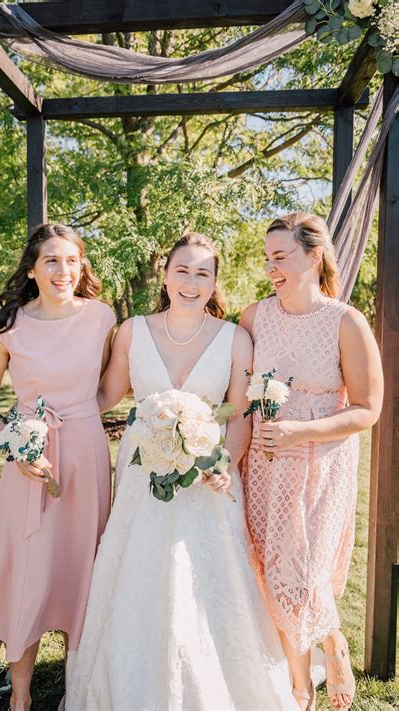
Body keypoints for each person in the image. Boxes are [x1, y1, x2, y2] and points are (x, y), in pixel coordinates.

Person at [64, 232, 297, 710]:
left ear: (215, 282)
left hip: (206, 481)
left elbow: (238, 412)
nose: (191, 282)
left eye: (202, 273)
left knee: (202, 581)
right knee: (136, 575)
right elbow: (105, 396)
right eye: (182, 270)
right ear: (165, 274)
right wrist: (50, 407)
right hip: (140, 479)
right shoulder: (132, 331)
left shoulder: (236, 338)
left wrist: (224, 466)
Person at [240, 212, 384, 711]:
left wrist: (302, 431)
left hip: (322, 462)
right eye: (267, 258)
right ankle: (300, 687)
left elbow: (369, 409)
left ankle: (331, 648)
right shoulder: (254, 317)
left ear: (314, 255)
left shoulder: (346, 321)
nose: (270, 267)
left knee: (305, 572)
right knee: (270, 570)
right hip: (265, 462)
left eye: (280, 257)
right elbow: (239, 391)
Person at [0, 223, 116, 711]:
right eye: (52, 260)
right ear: (32, 269)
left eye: (72, 260)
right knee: (28, 573)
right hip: (30, 463)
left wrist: (83, 418)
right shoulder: (8, 327)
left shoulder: (101, 317)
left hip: (87, 456)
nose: (63, 270)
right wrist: (20, 447)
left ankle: (81, 691)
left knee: (83, 569)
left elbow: (109, 386)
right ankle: (22, 697)